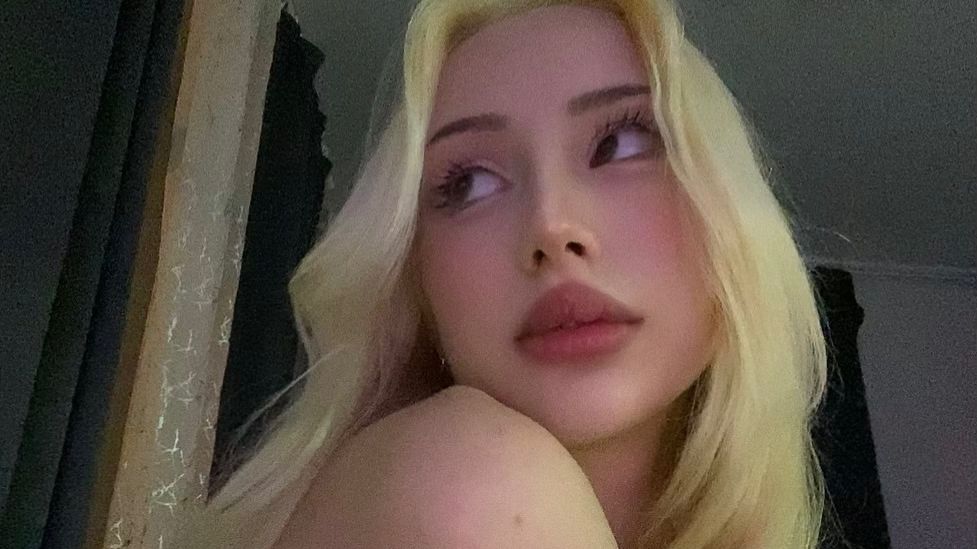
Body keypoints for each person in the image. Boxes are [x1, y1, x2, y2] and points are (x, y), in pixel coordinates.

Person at [178, 1, 830, 547]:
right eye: (469, 182)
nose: (551, 226)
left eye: (621, 144)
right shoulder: (465, 475)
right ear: (417, 285)